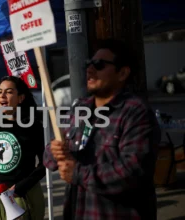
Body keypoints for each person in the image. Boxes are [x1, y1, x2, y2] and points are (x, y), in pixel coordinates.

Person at [43, 38, 161, 219]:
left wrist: (78, 173)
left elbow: (133, 172)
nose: (89, 69)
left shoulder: (135, 113)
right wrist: (54, 150)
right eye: (89, 63)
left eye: (99, 65)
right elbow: (50, 158)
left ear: (122, 73)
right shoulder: (80, 108)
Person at [0, 76, 46, 220]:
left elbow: (45, 163)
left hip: (22, 193)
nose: (2, 95)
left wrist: (20, 187)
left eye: (8, 92)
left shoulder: (32, 126)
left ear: (20, 98)